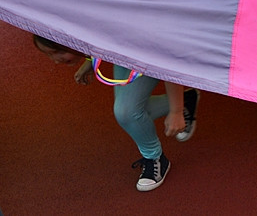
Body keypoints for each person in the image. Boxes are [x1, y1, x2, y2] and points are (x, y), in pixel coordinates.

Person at [33, 35, 199, 192]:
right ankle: (188, 100)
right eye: (49, 55)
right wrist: (91, 60)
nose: (55, 61)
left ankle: (155, 158)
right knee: (131, 114)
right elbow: (101, 37)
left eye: (58, 52)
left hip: (151, 52)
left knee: (127, 113)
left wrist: (175, 110)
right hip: (127, 53)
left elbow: (167, 61)